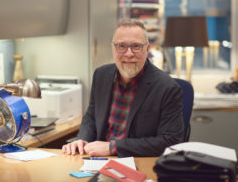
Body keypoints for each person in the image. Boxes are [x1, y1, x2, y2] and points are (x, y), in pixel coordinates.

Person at [61, 19, 184, 157]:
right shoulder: (101, 75)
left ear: (147, 49)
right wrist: (82, 139)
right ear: (113, 48)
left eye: (136, 46)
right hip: (98, 160)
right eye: (121, 46)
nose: (129, 54)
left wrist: (113, 147)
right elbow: (91, 117)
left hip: (137, 162)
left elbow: (170, 141)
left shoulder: (167, 88)